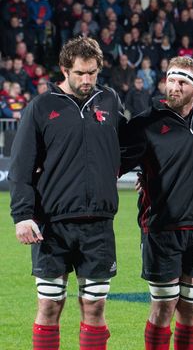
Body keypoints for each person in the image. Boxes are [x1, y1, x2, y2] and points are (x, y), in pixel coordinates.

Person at [10, 37, 124, 350]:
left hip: (98, 225)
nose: (87, 80)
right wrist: (22, 216)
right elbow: (21, 168)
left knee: (95, 308)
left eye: (92, 73)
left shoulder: (109, 101)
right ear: (64, 70)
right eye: (79, 73)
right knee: (49, 307)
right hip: (52, 226)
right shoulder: (41, 107)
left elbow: (128, 144)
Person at [120, 56, 193, 350]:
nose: (173, 87)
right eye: (171, 80)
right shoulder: (145, 123)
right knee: (163, 309)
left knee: (190, 311)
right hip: (162, 229)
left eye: (182, 82)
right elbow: (110, 163)